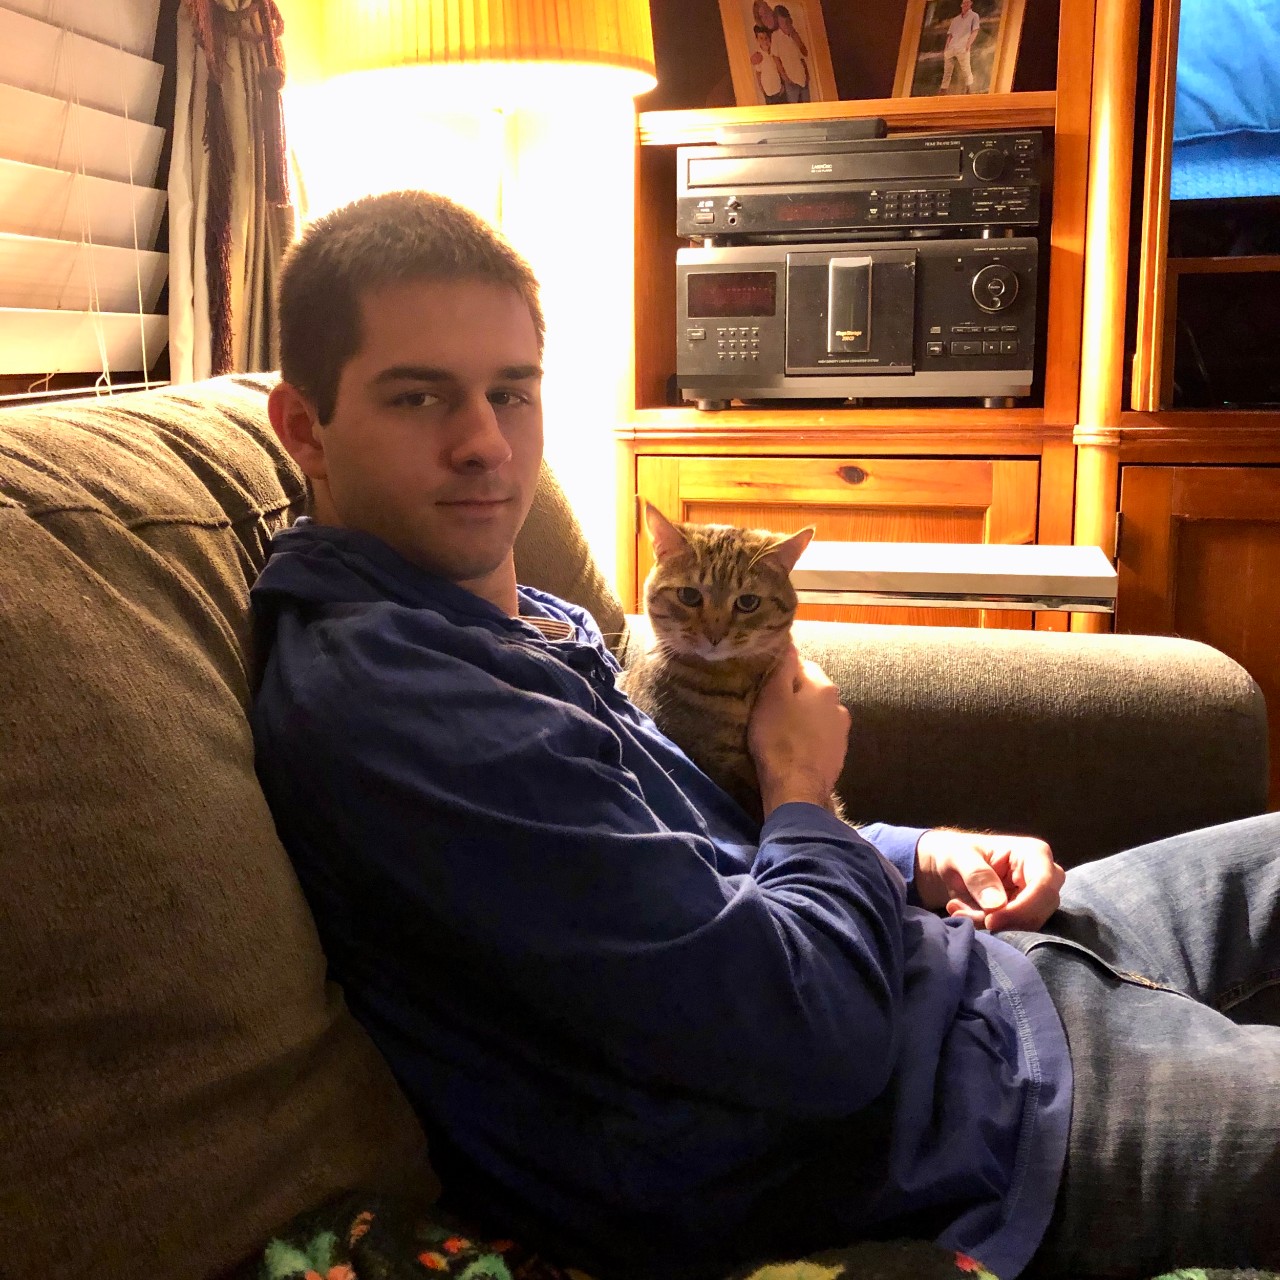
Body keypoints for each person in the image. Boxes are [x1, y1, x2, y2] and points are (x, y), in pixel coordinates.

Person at [252, 189, 1280, 1280]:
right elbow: (810, 1033)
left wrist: (911, 852)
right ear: (305, 427)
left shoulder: (502, 622)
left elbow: (714, 853)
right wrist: (798, 780)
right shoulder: (406, 706)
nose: (484, 443)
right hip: (974, 1125)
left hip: (980, 976)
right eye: (418, 397)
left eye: (511, 391)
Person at [770, 4, 811, 103]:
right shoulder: (775, 36)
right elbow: (776, 59)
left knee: (807, 107)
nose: (784, 24)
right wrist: (785, 77)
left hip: (802, 77)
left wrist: (796, 38)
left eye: (786, 21)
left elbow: (804, 54)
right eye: (781, 21)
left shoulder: (794, 33)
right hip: (790, 79)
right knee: (794, 107)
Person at [940, 0, 982, 93]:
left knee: (966, 69)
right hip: (952, 47)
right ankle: (943, 90)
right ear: (961, 5)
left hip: (962, 46)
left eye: (967, 3)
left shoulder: (974, 16)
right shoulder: (956, 19)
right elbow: (950, 34)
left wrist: (968, 45)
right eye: (964, 3)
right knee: (947, 71)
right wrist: (947, 47)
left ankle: (970, 90)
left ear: (971, 4)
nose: (965, 5)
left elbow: (975, 31)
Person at [751, 24, 787, 105]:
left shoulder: (774, 51)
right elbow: (758, 73)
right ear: (757, 39)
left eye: (766, 38)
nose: (764, 41)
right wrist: (762, 88)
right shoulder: (758, 56)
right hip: (768, 90)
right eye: (761, 38)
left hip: (778, 88)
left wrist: (783, 84)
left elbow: (780, 68)